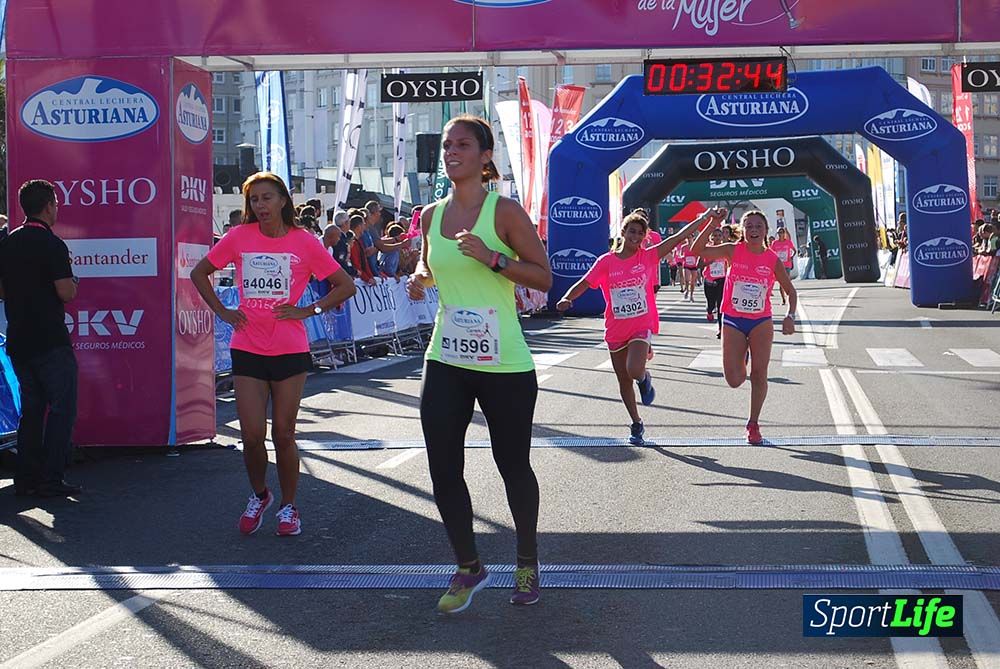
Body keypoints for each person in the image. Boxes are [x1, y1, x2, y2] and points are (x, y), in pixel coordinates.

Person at [406, 114, 552, 613]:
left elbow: (543, 277)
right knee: (443, 467)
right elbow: (429, 261)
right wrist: (422, 277)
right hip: (446, 355)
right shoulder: (430, 215)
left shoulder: (503, 211)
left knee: (512, 465)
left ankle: (527, 560)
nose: (451, 152)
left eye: (463, 145)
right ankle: (469, 566)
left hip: (504, 361)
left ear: (485, 156)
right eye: (447, 145)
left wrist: (494, 258)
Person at [190, 172, 356, 537]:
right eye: (254, 199)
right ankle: (260, 495)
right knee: (251, 435)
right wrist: (223, 311)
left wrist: (308, 310)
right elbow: (199, 273)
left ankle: (289, 506)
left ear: (283, 200)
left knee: (283, 433)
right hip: (247, 345)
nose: (260, 205)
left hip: (289, 348)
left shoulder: (304, 241)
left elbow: (346, 285)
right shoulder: (239, 237)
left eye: (267, 198)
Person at [556, 208, 726, 446]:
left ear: (645, 236)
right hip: (615, 327)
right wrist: (568, 297)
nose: (635, 237)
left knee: (634, 370)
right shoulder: (606, 262)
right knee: (623, 381)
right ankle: (636, 422)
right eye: (632, 232)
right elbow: (585, 282)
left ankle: (644, 378)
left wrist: (705, 217)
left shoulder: (647, 257)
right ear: (623, 232)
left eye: (640, 233)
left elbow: (678, 238)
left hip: (641, 324)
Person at [0, 180, 80, 497]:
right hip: (50, 338)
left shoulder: (7, 242)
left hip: (19, 338)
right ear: (48, 206)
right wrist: (74, 282)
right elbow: (66, 291)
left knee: (31, 411)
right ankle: (51, 478)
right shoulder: (53, 244)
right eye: (56, 204)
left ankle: (26, 478)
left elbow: (1, 290)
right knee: (62, 409)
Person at [691, 210, 797, 445]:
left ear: (766, 230)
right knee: (735, 380)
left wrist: (790, 315)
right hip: (733, 319)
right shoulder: (733, 250)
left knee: (759, 373)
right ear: (743, 230)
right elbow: (696, 251)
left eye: (759, 226)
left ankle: (753, 423)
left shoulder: (772, 259)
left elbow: (791, 291)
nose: (754, 230)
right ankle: (742, 355)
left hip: (761, 321)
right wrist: (712, 223)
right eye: (749, 226)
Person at [702, 227, 728, 338]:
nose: (717, 238)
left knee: (720, 305)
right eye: (715, 236)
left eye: (719, 235)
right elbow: (699, 265)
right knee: (711, 304)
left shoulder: (726, 249)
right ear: (711, 237)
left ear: (722, 237)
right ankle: (709, 311)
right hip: (709, 281)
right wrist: (710, 262)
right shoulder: (707, 249)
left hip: (722, 280)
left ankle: (721, 329)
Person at [770, 227, 796, 305]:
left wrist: (791, 257)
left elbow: (794, 250)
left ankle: (789, 298)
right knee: (781, 283)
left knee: (787, 281)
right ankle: (783, 299)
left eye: (781, 232)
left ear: (784, 233)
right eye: (779, 233)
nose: (780, 234)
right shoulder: (775, 243)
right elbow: (771, 252)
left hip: (787, 264)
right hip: (779, 265)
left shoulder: (788, 242)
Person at [681, 232, 700, 302]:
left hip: (694, 266)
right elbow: (680, 255)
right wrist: (683, 257)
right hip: (686, 265)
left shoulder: (696, 246)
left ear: (693, 238)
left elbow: (699, 254)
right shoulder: (684, 247)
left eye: (690, 237)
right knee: (687, 279)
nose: (689, 239)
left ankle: (691, 295)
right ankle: (687, 290)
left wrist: (696, 257)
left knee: (692, 282)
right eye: (688, 238)